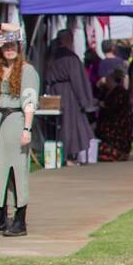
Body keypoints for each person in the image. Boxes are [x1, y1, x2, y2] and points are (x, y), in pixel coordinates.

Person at [0, 33, 39, 236]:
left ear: (19, 47)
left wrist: (27, 129)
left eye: (12, 46)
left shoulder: (27, 70)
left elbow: (30, 100)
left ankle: (20, 219)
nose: (9, 50)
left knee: (16, 171)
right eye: (5, 47)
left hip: (16, 119)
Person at [45, 29, 96, 165]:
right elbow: (78, 80)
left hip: (54, 93)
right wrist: (84, 102)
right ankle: (67, 157)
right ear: (68, 40)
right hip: (68, 94)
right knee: (69, 125)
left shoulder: (51, 55)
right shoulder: (70, 57)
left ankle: (63, 157)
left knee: (60, 125)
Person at [95, 67, 133, 162]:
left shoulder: (121, 92)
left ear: (112, 80)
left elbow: (114, 107)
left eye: (108, 79)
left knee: (106, 128)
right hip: (108, 117)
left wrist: (101, 104)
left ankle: (114, 153)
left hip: (119, 119)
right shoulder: (105, 91)